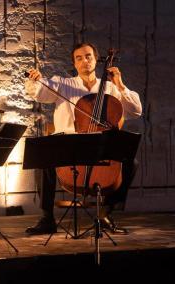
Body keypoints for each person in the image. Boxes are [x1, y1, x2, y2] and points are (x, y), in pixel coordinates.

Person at [25, 42, 142, 235]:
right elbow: (39, 93)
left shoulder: (111, 88)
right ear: (74, 63)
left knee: (131, 162)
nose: (84, 61)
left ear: (96, 60)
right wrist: (36, 80)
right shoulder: (63, 84)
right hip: (71, 147)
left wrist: (120, 85)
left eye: (88, 56)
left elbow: (135, 111)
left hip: (100, 148)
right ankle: (47, 218)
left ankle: (105, 212)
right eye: (79, 58)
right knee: (43, 159)